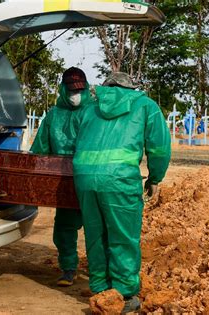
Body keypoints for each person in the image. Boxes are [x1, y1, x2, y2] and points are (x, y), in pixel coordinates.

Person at [73, 72, 171, 313]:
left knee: (95, 234)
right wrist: (155, 177)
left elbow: (77, 140)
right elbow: (159, 147)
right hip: (119, 179)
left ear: (106, 88)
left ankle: (99, 288)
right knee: (123, 236)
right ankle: (125, 295)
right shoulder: (145, 105)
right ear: (132, 87)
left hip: (84, 177)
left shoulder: (89, 108)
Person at [30, 67, 93, 287]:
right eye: (71, 89)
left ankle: (98, 271)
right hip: (63, 180)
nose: (76, 94)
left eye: (80, 90)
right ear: (63, 89)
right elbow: (40, 149)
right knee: (65, 228)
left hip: (89, 177)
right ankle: (68, 268)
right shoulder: (53, 116)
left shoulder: (94, 113)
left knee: (95, 226)